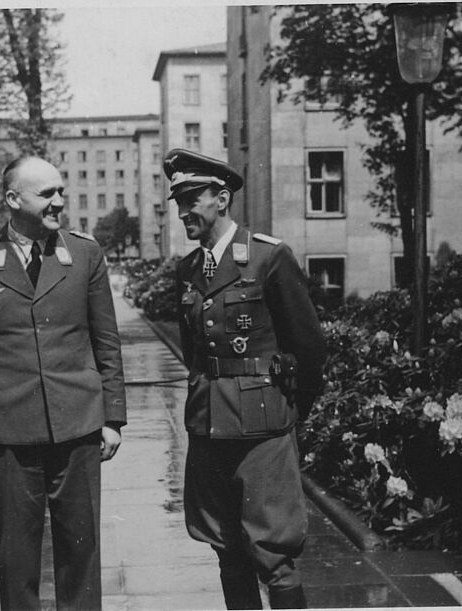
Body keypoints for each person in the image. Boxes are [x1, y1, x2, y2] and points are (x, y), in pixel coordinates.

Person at [0, 155, 127, 610]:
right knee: (15, 559)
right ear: (12, 199)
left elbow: (107, 341)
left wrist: (113, 418)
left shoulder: (84, 254)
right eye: (47, 194)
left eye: (60, 191)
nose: (59, 202)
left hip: (78, 425)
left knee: (81, 555)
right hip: (7, 431)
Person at [164, 148, 326, 609]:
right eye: (177, 201)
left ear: (221, 197)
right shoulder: (189, 270)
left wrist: (288, 413)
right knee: (225, 546)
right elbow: (193, 353)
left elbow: (310, 350)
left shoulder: (268, 258)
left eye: (191, 198)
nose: (182, 212)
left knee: (274, 555)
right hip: (209, 427)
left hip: (263, 432)